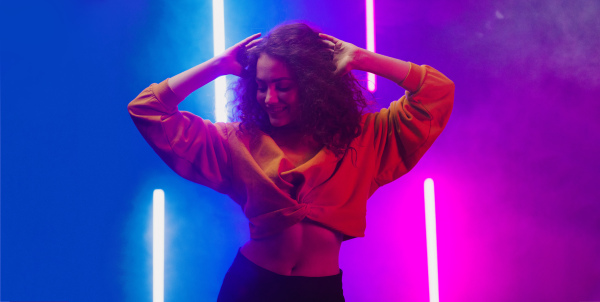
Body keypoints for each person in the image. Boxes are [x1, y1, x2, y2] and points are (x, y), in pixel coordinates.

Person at [128, 22, 454, 302]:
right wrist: (217, 65)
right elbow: (147, 108)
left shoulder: (364, 139)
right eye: (261, 87)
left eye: (283, 87)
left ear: (314, 88)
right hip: (251, 286)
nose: (270, 99)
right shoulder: (237, 142)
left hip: (320, 292)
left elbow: (437, 92)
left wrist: (363, 59)